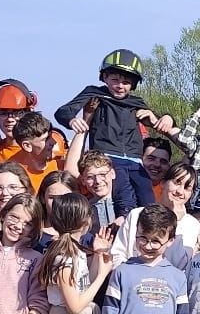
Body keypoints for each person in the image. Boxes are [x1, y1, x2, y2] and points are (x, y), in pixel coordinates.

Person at [54, 49, 175, 213]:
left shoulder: (136, 102)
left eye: (125, 82)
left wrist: (167, 118)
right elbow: (63, 111)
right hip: (109, 157)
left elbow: (161, 122)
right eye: (115, 80)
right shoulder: (95, 94)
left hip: (135, 160)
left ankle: (149, 228)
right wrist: (72, 120)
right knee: (124, 196)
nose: (120, 86)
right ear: (105, 77)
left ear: (133, 84)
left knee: (148, 199)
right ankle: (123, 224)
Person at [0, 79, 38, 161]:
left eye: (17, 113)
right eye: (4, 113)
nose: (10, 119)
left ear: (28, 115)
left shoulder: (43, 150)